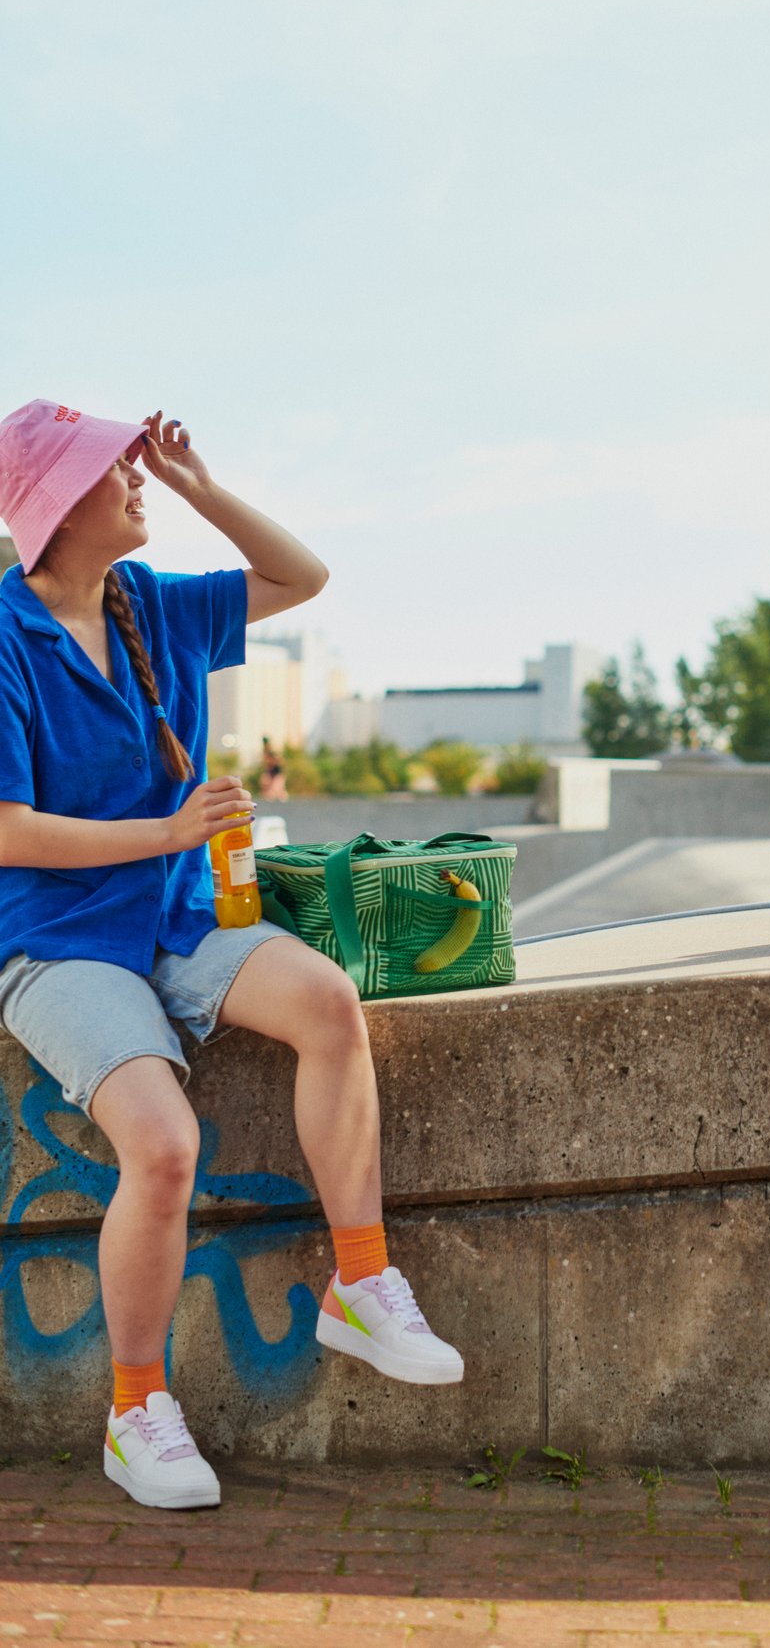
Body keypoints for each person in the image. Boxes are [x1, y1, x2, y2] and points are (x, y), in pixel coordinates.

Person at [0, 401, 463, 1511]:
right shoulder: (6, 641)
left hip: (179, 914)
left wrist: (200, 481)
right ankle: (137, 1410)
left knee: (327, 1002)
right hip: (59, 947)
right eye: (118, 472)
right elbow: (7, 830)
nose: (137, 484)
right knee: (162, 1144)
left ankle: (360, 1283)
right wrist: (167, 829)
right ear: (58, 509)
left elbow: (300, 577)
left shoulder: (153, 604)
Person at [260, 735, 288, 802]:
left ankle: (282, 798)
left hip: (277, 774)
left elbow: (280, 762)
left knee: (277, 790)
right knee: (266, 785)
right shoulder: (266, 753)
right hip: (271, 774)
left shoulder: (272, 754)